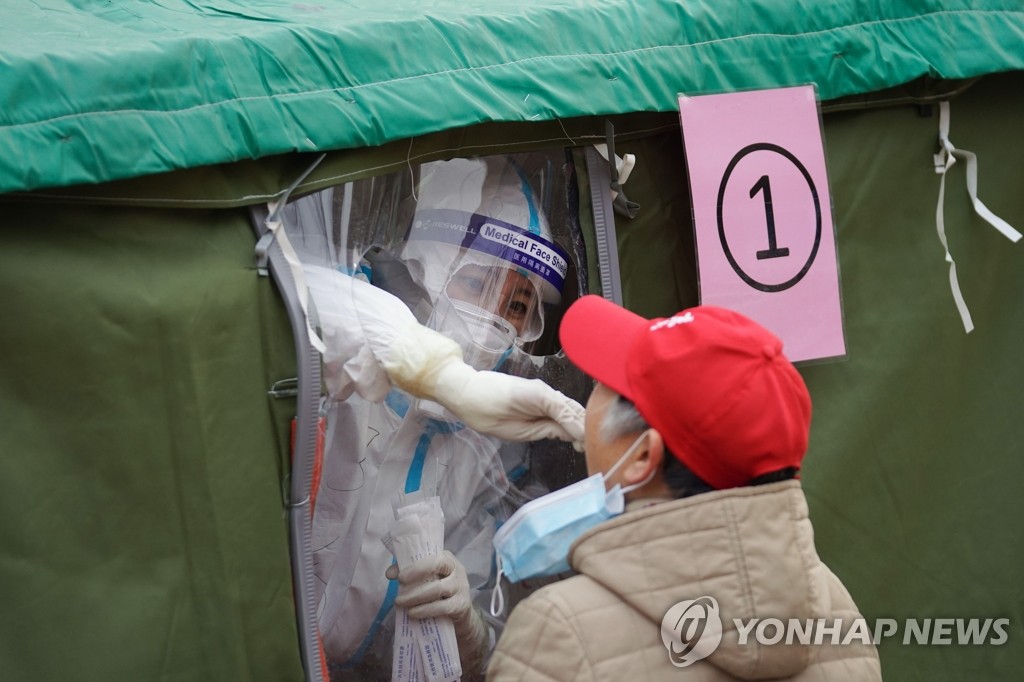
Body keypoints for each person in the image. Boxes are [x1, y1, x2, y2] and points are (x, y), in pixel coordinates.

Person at [290, 155, 587, 679]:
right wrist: (437, 371)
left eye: (516, 306)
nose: (493, 321)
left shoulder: (495, 451)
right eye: (476, 284)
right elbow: (289, 287)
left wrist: (470, 625)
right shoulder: (346, 365)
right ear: (423, 269)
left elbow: (490, 635)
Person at [485, 295, 883, 681]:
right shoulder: (836, 612)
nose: (588, 404)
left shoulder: (558, 634)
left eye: (605, 384)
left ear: (643, 458)